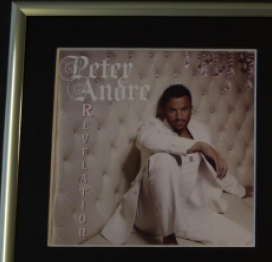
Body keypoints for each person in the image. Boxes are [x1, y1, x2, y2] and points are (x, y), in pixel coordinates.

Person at [101, 84, 253, 246]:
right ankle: (169, 238)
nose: (179, 116)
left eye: (184, 109)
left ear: (191, 108)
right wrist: (198, 146)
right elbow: (145, 140)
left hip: (183, 208)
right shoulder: (153, 127)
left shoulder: (201, 130)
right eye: (172, 110)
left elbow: (216, 166)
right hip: (149, 212)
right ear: (164, 110)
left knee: (243, 237)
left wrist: (240, 190)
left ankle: (172, 227)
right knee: (164, 160)